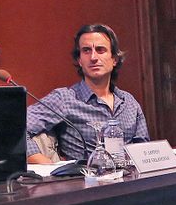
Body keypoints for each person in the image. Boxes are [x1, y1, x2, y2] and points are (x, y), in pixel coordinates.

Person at [25, 23, 150, 165]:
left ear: (114, 59)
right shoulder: (64, 99)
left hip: (130, 182)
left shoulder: (129, 102)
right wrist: (43, 162)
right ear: (79, 60)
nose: (93, 57)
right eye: (86, 51)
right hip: (85, 181)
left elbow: (144, 150)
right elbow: (17, 128)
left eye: (100, 50)